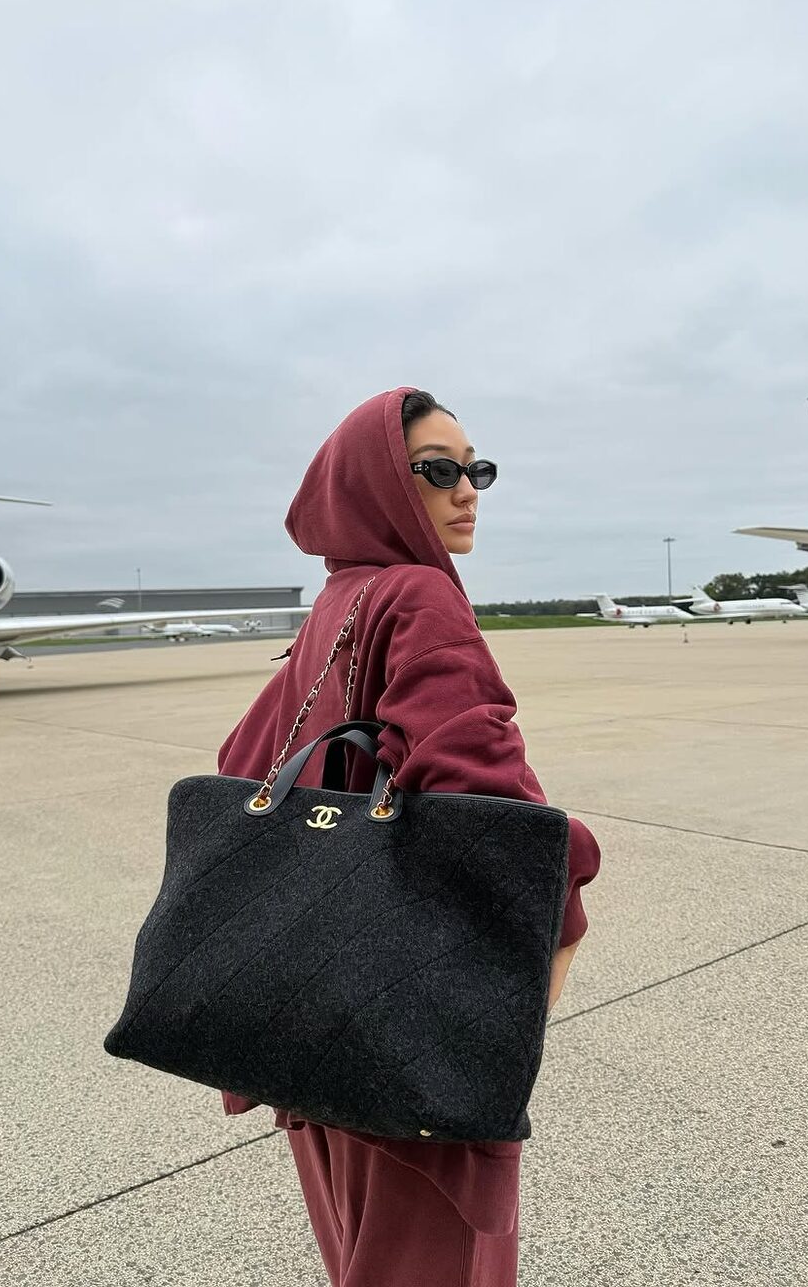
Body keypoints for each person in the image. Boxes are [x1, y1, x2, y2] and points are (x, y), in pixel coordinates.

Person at [216, 387, 601, 1287]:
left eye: (478, 471)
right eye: (436, 471)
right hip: (405, 1016)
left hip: (314, 1014)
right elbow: (483, 796)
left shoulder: (337, 602)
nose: (467, 491)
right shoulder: (419, 595)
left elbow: (241, 759)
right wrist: (573, 878)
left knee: (362, 1254)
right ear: (379, 483)